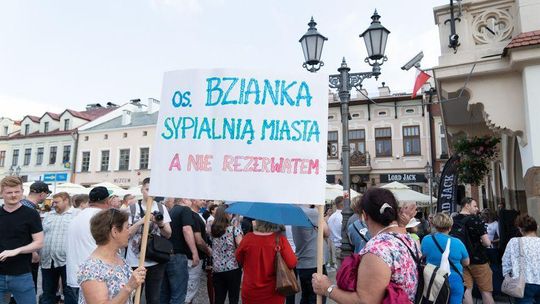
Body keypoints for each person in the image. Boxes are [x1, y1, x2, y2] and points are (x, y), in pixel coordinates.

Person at [312, 187, 419, 303]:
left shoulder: (377, 251)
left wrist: (327, 288)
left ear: (365, 215)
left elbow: (365, 301)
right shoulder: (408, 239)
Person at [78, 208, 147, 303]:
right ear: (114, 231)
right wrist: (129, 287)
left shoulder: (120, 259)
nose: (129, 232)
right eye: (127, 227)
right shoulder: (92, 268)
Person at [126, 177, 172, 304]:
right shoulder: (132, 208)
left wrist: (161, 223)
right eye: (147, 189)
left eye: (153, 190)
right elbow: (126, 234)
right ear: (142, 190)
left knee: (154, 298)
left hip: (155, 259)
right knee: (133, 297)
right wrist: (142, 221)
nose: (150, 193)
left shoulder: (161, 208)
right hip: (134, 260)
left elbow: (168, 234)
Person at [0, 176, 44, 304]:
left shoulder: (31, 214)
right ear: (2, 193)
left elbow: (39, 242)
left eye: (17, 192)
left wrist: (16, 251)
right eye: (9, 192)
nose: (13, 195)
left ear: (22, 191)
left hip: (22, 275)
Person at [65, 186, 111, 304]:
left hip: (74, 276)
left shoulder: (78, 216)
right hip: (92, 278)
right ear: (107, 201)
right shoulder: (102, 217)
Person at [236, 220, 297, 304]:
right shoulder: (280, 239)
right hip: (274, 292)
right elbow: (292, 263)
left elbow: (238, 258)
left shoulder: (248, 238)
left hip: (250, 291)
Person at [421, 212, 470, 304]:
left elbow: (422, 255)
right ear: (450, 227)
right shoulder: (458, 242)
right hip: (454, 279)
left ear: (434, 225)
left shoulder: (426, 239)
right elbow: (466, 262)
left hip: (433, 278)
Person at [452, 197, 494, 304]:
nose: (477, 209)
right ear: (467, 205)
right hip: (479, 259)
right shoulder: (477, 220)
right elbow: (487, 243)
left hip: (461, 260)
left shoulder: (453, 220)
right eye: (474, 206)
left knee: (467, 290)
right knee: (485, 291)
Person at [40, 192, 77, 304]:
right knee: (47, 292)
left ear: (66, 200)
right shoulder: (48, 215)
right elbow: (41, 234)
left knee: (69, 291)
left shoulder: (76, 215)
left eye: (57, 202)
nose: (53, 204)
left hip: (67, 260)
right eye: (53, 202)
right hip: (47, 260)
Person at [161, 198, 199, 304]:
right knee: (178, 295)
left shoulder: (170, 211)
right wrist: (194, 252)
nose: (192, 201)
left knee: (165, 294)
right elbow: (186, 229)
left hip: (166, 255)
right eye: (190, 198)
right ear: (183, 199)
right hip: (177, 256)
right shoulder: (185, 209)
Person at [292, 205, 329, 304]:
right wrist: (319, 210)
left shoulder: (295, 213)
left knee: (306, 297)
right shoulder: (311, 213)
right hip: (314, 262)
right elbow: (327, 231)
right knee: (317, 297)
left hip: (303, 262)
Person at [502, 214, 540, 303]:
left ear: (520, 229)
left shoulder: (514, 242)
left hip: (523, 283)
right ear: (536, 228)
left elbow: (506, 262)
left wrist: (508, 277)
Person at [20, 180, 51, 291]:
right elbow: (23, 233)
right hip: (27, 255)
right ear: (42, 194)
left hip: (21, 254)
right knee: (27, 289)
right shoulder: (29, 210)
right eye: (47, 194)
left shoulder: (22, 205)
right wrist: (33, 252)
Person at [211, 205, 243, 304]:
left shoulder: (213, 231)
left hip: (217, 269)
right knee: (233, 298)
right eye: (230, 213)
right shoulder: (234, 230)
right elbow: (241, 248)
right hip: (232, 268)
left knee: (219, 298)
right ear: (226, 215)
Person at [185, 198, 213, 304]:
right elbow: (199, 240)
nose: (204, 201)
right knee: (190, 290)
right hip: (194, 258)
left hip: (191, 257)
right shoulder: (194, 216)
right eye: (201, 199)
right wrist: (208, 250)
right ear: (193, 201)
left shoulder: (195, 215)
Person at [327, 196, 343, 267]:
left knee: (339, 271)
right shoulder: (342, 216)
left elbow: (329, 233)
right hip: (343, 247)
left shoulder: (331, 217)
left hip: (336, 245)